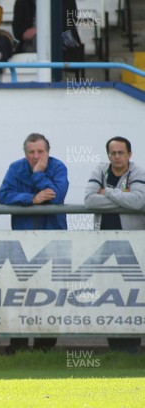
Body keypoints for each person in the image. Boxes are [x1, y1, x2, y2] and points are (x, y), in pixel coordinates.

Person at [0, 132, 68, 354]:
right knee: (20, 294)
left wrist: (38, 174)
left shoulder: (58, 168)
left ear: (48, 152)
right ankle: (17, 346)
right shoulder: (15, 168)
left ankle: (44, 348)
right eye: (31, 152)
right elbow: (3, 195)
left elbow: (57, 196)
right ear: (25, 153)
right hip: (23, 240)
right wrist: (32, 199)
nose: (36, 156)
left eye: (41, 151)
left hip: (52, 240)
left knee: (50, 294)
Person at [84, 136, 144, 354]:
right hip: (104, 245)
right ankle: (116, 347)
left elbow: (139, 201)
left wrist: (107, 191)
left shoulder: (138, 172)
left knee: (131, 294)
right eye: (113, 153)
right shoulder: (100, 170)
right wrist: (123, 196)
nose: (117, 157)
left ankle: (131, 346)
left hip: (133, 244)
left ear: (129, 154)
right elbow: (89, 200)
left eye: (121, 152)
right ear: (108, 155)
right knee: (109, 293)